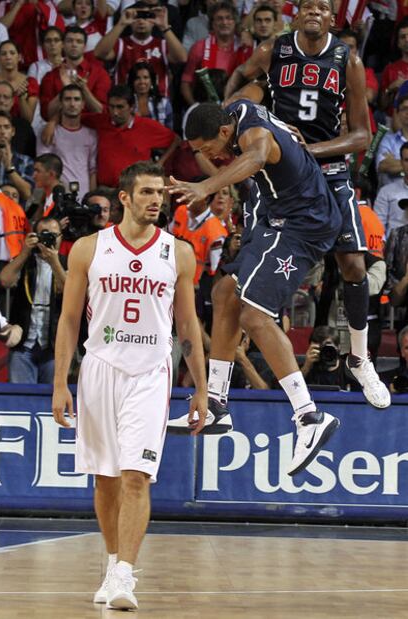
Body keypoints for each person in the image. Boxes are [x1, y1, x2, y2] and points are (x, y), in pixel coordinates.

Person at [52, 161, 208, 610]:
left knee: (136, 476)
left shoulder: (178, 252)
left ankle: (125, 575)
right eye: (146, 192)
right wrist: (60, 382)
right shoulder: (87, 249)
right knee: (105, 479)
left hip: (150, 371)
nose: (156, 200)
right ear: (124, 197)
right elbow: (67, 321)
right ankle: (112, 561)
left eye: (160, 193)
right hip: (99, 367)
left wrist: (201, 388)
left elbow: (187, 323)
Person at [222, 0, 391, 409]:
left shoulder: (346, 59)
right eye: (307, 5)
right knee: (241, 277)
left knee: (354, 264)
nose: (314, 11)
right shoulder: (272, 51)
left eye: (322, 7)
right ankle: (218, 390)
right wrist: (239, 122)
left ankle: (359, 357)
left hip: (328, 168)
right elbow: (238, 87)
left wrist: (307, 149)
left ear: (334, 19)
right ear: (295, 16)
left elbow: (361, 137)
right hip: (281, 176)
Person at [167, 101, 342, 476]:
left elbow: (258, 154)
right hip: (278, 216)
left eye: (204, 148)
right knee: (224, 294)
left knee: (254, 314)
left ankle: (310, 416)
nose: (204, 156)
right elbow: (251, 90)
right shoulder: (235, 110)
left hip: (303, 223)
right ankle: (215, 402)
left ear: (225, 133)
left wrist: (207, 185)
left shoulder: (253, 136)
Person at [0, 216, 66, 383]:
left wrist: (54, 262)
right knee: (21, 402)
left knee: (51, 403)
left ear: (61, 238)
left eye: (53, 234)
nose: (48, 238)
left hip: (53, 346)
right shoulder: (25, 260)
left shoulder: (67, 262)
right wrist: (24, 252)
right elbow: (5, 281)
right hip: (23, 346)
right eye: (43, 234)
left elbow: (68, 291)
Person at [80, 84, 180, 188]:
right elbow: (74, 118)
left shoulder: (147, 126)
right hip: (106, 192)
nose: (115, 112)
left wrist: (159, 163)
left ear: (131, 107)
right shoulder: (101, 121)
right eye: (112, 106)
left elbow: (176, 140)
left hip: (136, 191)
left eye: (120, 107)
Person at [94, 2, 187, 96]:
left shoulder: (163, 44)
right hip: (126, 103)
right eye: (137, 16)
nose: (141, 21)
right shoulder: (121, 43)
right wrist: (121, 24)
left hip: (158, 103)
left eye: (146, 16)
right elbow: (98, 53)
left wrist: (164, 27)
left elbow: (182, 58)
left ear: (153, 21)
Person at [181, 1, 252, 107]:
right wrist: (195, 107)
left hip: (239, 107)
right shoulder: (199, 47)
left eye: (229, 18)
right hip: (207, 108)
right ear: (212, 23)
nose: (224, 22)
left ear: (235, 22)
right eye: (219, 18)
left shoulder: (246, 47)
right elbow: (186, 82)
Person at [37, 84, 97, 200]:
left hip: (83, 197)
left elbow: (92, 170)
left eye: (76, 99)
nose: (72, 104)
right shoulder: (48, 132)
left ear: (83, 104)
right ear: (60, 103)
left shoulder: (91, 135)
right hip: (55, 198)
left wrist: (92, 199)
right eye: (67, 99)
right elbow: (43, 167)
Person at [39, 26, 110, 121]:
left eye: (79, 41)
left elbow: (103, 113)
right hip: (61, 129)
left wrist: (84, 90)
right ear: (63, 45)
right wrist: (65, 90)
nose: (74, 44)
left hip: (92, 129)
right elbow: (46, 115)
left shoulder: (99, 73)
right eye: (69, 41)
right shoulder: (51, 76)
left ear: (85, 47)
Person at [0, 40, 39, 123]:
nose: (8, 57)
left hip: (21, 130)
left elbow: (28, 119)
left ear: (19, 57)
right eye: (4, 54)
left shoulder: (30, 83)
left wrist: (21, 98)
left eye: (12, 53)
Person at [0, 110, 33, 202]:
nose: (2, 132)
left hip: (15, 214)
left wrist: (9, 168)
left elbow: (28, 195)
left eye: (6, 127)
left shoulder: (26, 161)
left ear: (13, 131)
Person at [0, 80, 36, 158]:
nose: (1, 100)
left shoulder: (24, 126)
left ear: (12, 101)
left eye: (6, 97)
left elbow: (32, 156)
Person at [374, 142, 408, 236]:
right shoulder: (386, 192)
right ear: (401, 162)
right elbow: (378, 227)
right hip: (394, 247)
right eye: (407, 160)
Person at [128, 60, 174, 129]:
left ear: (152, 80)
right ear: (132, 81)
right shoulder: (126, 102)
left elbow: (169, 131)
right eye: (137, 78)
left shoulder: (164, 103)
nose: (142, 82)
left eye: (146, 77)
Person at [375, 96, 408, 188]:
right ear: (397, 114)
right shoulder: (387, 140)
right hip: (392, 196)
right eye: (404, 109)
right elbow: (383, 165)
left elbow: (391, 166)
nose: (407, 112)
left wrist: (397, 164)